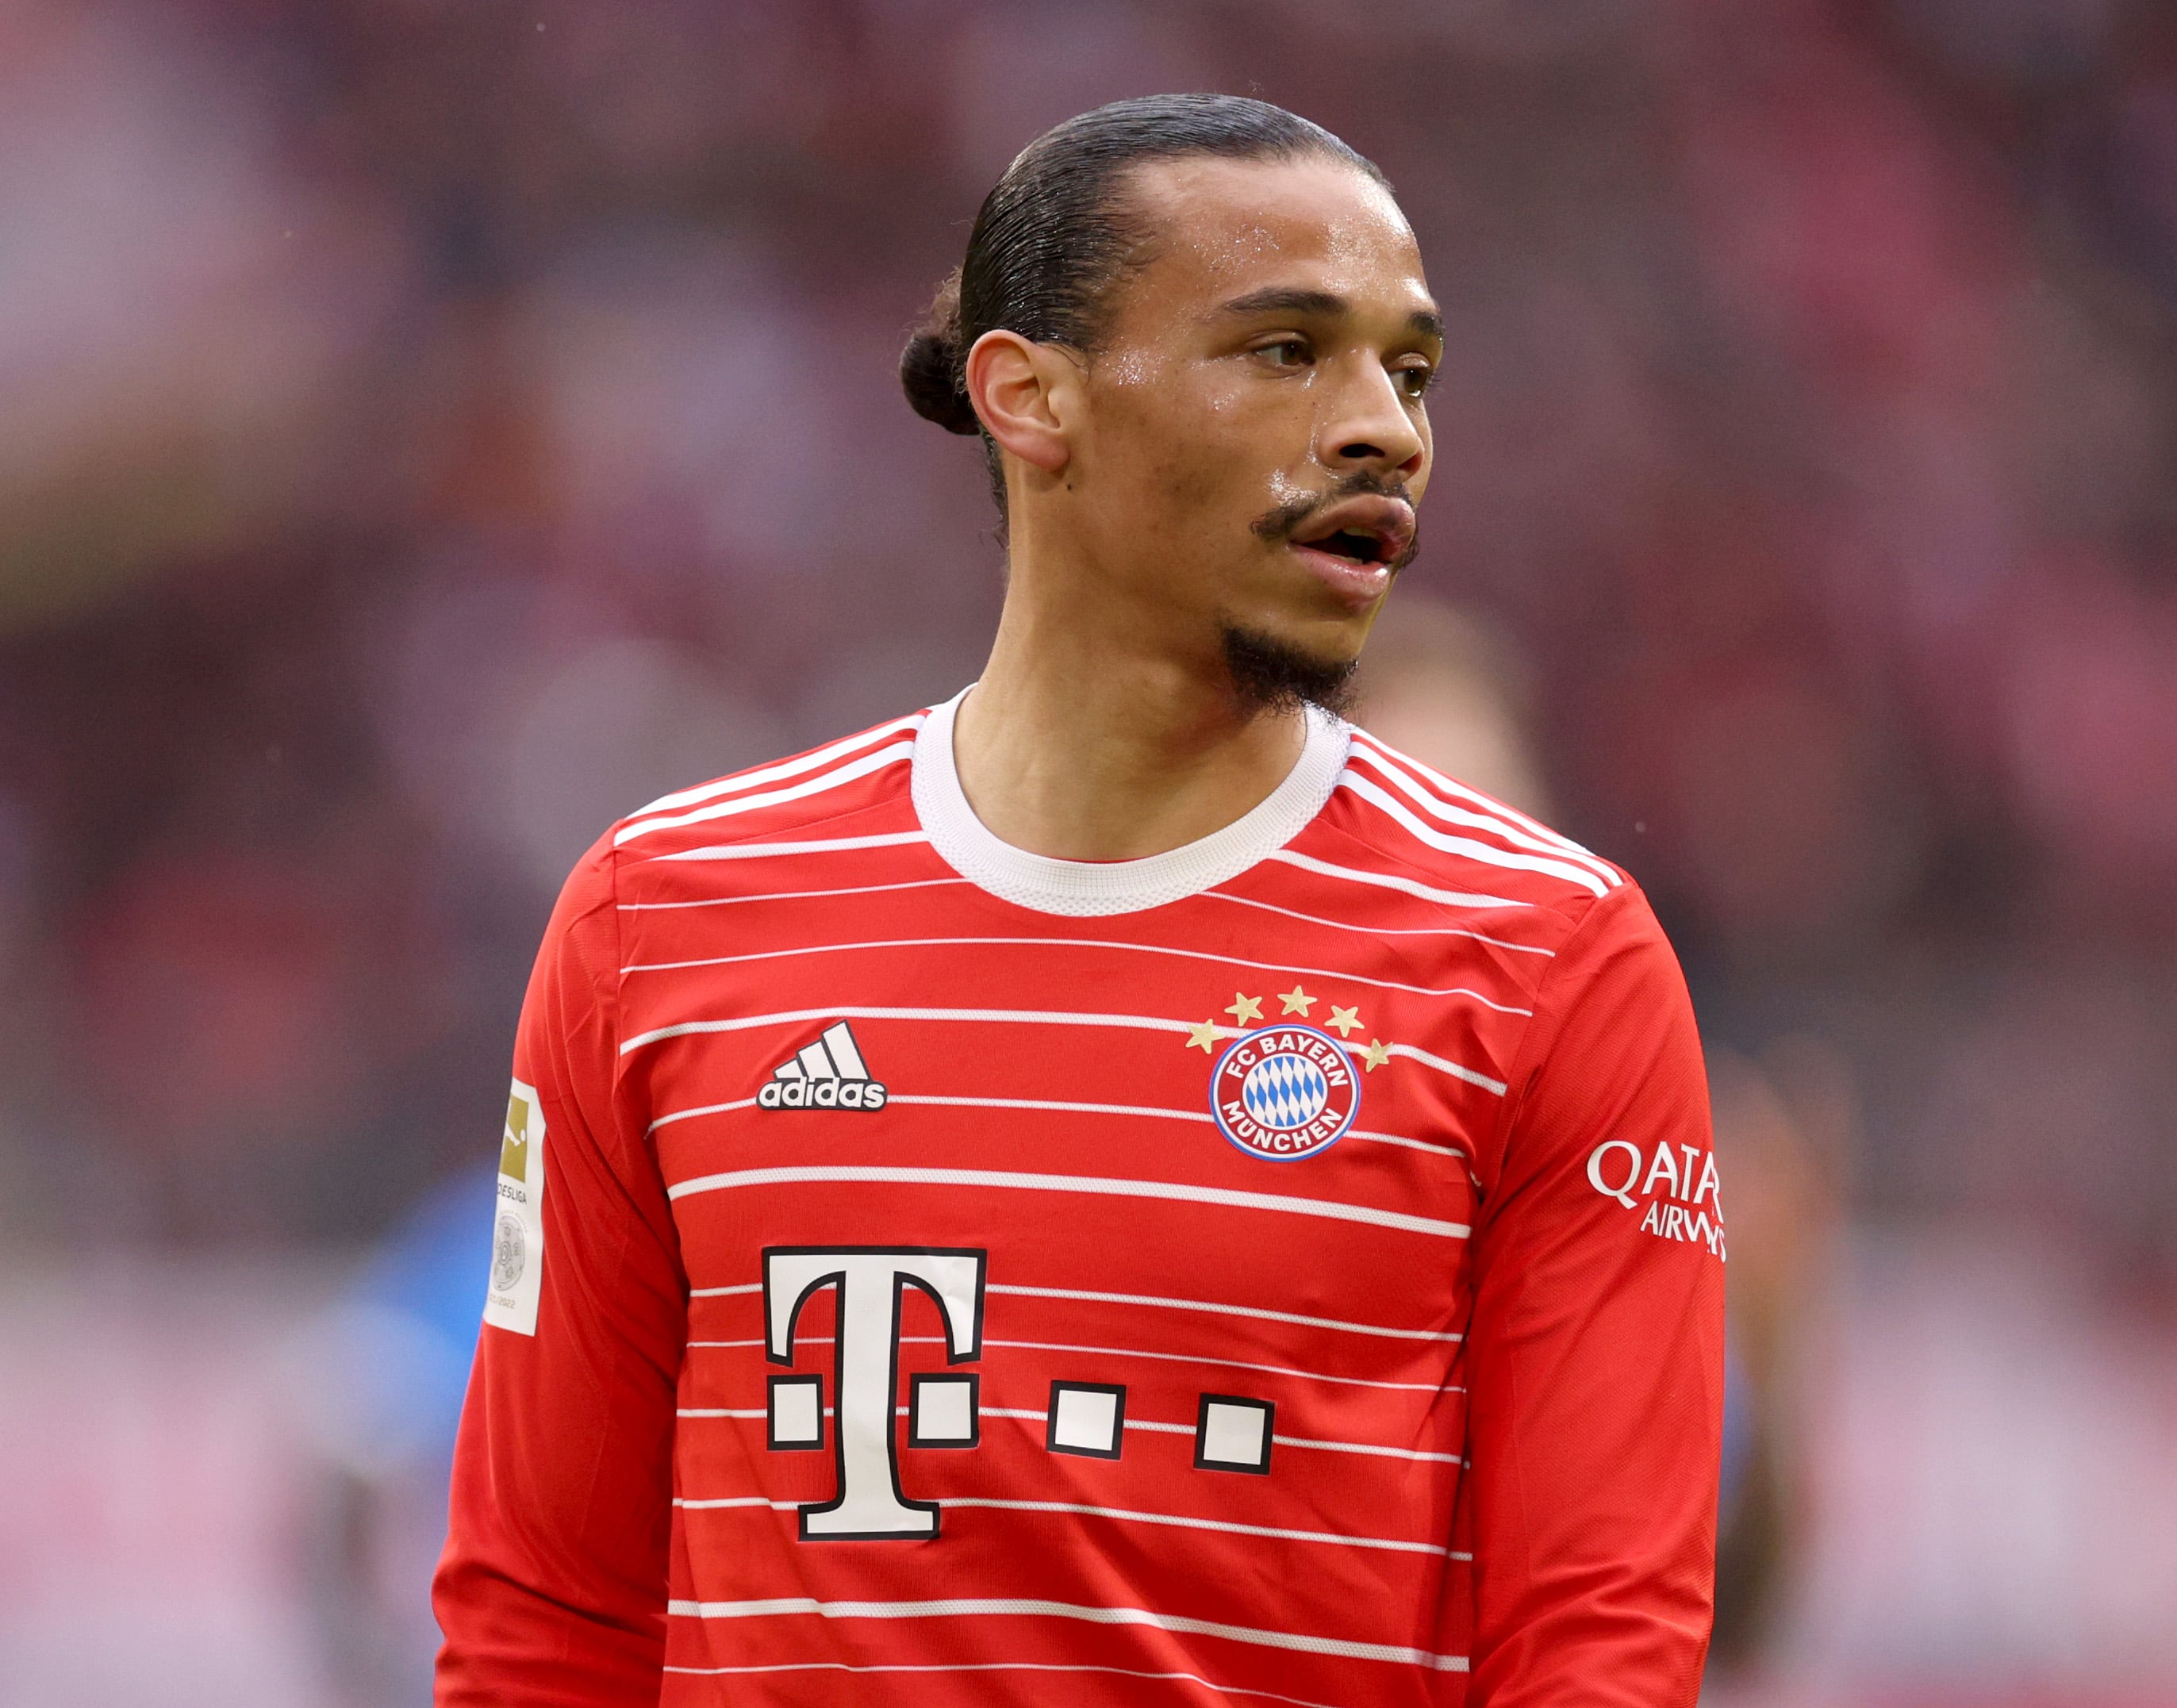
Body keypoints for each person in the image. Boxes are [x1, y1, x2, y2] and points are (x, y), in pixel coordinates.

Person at [434, 94, 1722, 1706]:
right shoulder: (659, 917)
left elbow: (1596, 1651)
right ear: (1028, 398)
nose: (1384, 429)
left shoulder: (1552, 959)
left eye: (1409, 371)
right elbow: (543, 1615)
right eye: (1283, 351)